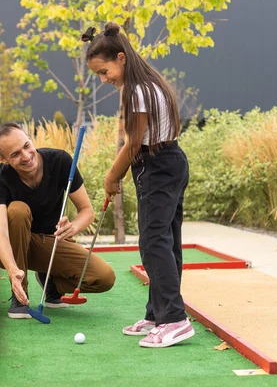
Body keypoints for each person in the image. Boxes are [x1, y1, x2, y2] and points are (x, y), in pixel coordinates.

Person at [83, 22, 194, 348]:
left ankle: (174, 319)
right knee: (166, 241)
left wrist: (110, 176)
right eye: (99, 75)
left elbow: (132, 145)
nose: (104, 80)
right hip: (169, 162)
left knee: (153, 243)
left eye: (105, 71)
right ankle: (158, 313)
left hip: (158, 166)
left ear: (121, 57)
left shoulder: (137, 91)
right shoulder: (148, 82)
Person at [0, 123, 116, 319]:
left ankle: (53, 282)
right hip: (9, 248)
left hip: (48, 243)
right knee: (18, 210)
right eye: (15, 154)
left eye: (26, 146)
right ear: (3, 159)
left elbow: (86, 211)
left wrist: (73, 227)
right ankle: (20, 294)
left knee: (103, 278)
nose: (26, 156)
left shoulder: (60, 161)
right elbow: (0, 233)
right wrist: (13, 272)